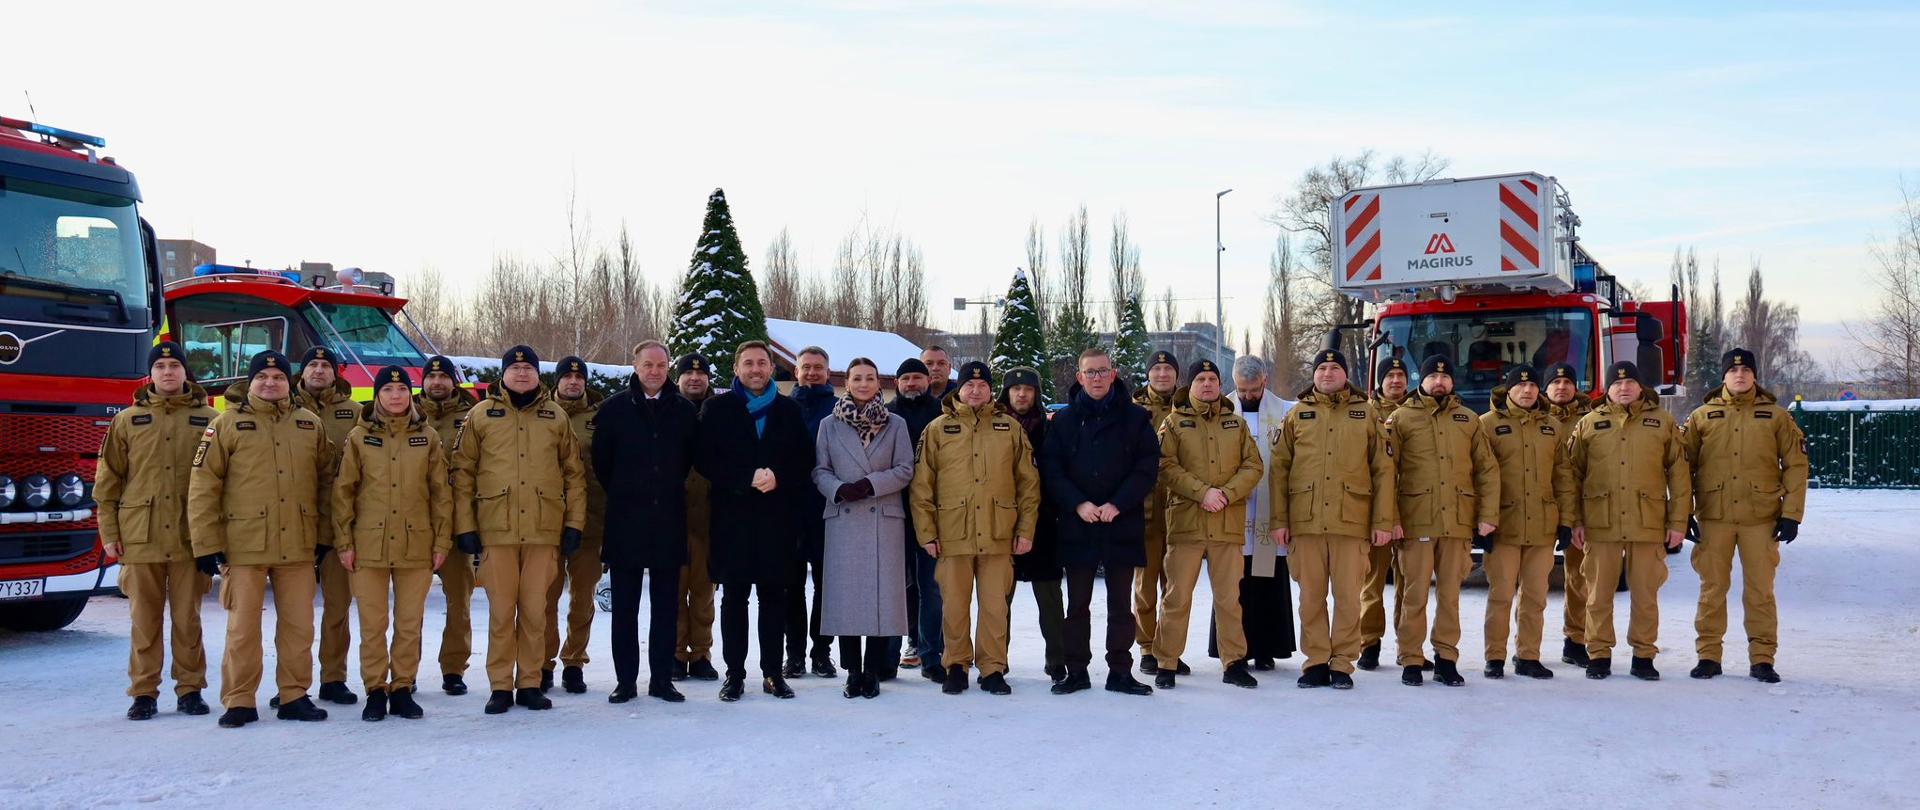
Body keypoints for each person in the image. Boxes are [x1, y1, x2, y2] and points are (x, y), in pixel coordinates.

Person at [188, 350, 336, 727]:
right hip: (244, 544)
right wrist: (206, 543)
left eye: (278, 377)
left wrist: (322, 534)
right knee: (242, 629)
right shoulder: (226, 424)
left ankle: (294, 695)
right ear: (249, 382)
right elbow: (204, 485)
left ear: (290, 382)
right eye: (262, 377)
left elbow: (324, 484)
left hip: (299, 544)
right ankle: (240, 700)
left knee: (299, 626)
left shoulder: (308, 424)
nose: (270, 383)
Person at [450, 345, 588, 714]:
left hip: (544, 530)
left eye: (529, 367)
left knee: (535, 611)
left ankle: (529, 682)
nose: (522, 373)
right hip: (497, 529)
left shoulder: (554, 416)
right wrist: (465, 526)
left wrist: (574, 523)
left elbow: (574, 475)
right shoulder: (482, 415)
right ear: (504, 373)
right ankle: (499, 685)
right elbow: (462, 473)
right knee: (500, 612)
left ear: (538, 374)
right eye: (516, 367)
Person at [96, 342, 218, 720]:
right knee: (144, 622)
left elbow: (223, 481)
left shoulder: (211, 419)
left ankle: (190, 690)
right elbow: (107, 482)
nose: (168, 372)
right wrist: (109, 533)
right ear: (150, 374)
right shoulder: (127, 420)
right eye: (161, 366)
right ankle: (144, 693)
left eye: (174, 365)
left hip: (189, 537)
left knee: (188, 620)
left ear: (186, 372)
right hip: (140, 536)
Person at [911, 361, 1041, 696]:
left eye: (982, 386)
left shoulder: (1009, 429)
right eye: (969, 385)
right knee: (953, 605)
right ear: (960, 388)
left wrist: (1025, 530)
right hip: (952, 533)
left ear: (990, 390)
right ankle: (955, 665)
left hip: (999, 532)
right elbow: (922, 486)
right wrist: (926, 533)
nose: (975, 391)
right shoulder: (938, 429)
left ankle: (992, 668)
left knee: (995, 605)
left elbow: (1028, 484)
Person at [1269, 350, 1396, 690]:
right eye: (1321, 368)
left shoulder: (1365, 414)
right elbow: (1279, 471)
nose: (1327, 373)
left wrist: (1383, 521)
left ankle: (1342, 663)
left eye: (1334, 368)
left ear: (1345, 374)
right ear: (1314, 374)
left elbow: (1383, 471)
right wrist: (1279, 520)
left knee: (1348, 597)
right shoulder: (1297, 415)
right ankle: (1315, 662)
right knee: (1310, 597)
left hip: (1351, 522)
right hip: (1305, 522)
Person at [1681, 348, 1809, 684]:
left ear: (1754, 375)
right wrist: (1682, 513)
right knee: (1712, 589)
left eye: (1746, 371)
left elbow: (1796, 465)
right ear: (1723, 376)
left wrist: (1791, 513)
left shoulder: (1777, 417)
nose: (1740, 376)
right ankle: (1708, 656)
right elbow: (1682, 468)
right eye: (1733, 371)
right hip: (1714, 516)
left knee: (1760, 592)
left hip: (1761, 518)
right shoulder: (1701, 417)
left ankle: (1762, 658)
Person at [332, 366, 452, 721]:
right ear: (378, 395)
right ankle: (375, 689)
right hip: (368, 544)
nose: (396, 396)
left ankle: (402, 687)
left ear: (410, 395)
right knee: (372, 624)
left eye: (402, 390)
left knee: (409, 622)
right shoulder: (358, 436)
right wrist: (344, 541)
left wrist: (442, 540)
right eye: (388, 390)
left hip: (417, 543)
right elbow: (343, 493)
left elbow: (441, 494)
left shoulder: (427, 436)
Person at [695, 341, 814, 702]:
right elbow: (704, 459)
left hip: (776, 521)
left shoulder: (789, 410)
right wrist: (744, 477)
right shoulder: (717, 408)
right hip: (732, 520)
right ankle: (734, 674)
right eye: (748, 363)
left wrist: (778, 477)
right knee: (734, 599)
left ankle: (773, 673)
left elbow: (804, 459)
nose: (756, 369)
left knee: (773, 598)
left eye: (762, 363)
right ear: (736, 368)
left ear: (771, 368)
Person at [1038, 349, 1160, 696]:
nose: (1096, 378)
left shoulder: (1136, 419)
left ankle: (1120, 670)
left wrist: (1117, 504)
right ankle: (1076, 670)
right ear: (1079, 377)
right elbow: (1052, 470)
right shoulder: (1062, 422)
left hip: (1121, 522)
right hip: (1079, 524)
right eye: (1089, 372)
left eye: (1102, 371)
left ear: (1113, 374)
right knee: (1077, 605)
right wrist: (1078, 504)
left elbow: (1146, 467)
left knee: (1121, 605)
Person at [1568, 361, 1691, 681]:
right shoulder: (1589, 423)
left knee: (1646, 594)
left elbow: (1679, 475)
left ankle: (1644, 654)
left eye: (1630, 383)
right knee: (1597, 594)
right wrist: (1575, 520)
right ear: (1607, 388)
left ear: (1641, 386)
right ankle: (1598, 654)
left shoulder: (1662, 423)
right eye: (1617, 383)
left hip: (1647, 521)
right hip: (1599, 522)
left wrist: (1678, 521)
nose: (1624, 388)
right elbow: (1573, 476)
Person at [593, 341, 700, 703]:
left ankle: (661, 679)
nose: (655, 371)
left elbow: (687, 461)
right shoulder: (613, 410)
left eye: (661, 365)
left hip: (668, 520)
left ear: (668, 367)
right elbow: (602, 465)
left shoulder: (684, 411)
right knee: (624, 608)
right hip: (626, 521)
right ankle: (626, 680)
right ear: (635, 367)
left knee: (666, 607)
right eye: (648, 365)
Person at [1385, 355, 1500, 687]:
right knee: (1414, 593)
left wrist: (1487, 516)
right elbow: (1386, 473)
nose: (1439, 382)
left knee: (1450, 595)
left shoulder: (1469, 420)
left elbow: (1487, 471)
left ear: (1452, 382)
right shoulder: (1401, 419)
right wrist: (1390, 518)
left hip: (1457, 522)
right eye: (1433, 377)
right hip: (1416, 521)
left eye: (1445, 377)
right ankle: (1410, 657)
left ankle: (1446, 658)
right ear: (1421, 381)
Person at [1152, 359, 1266, 690]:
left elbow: (1253, 466)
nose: (1207, 384)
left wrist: (1226, 495)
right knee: (1177, 595)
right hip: (1187, 522)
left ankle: (1234, 662)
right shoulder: (1174, 423)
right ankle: (1166, 661)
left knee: (1229, 597)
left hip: (1226, 521)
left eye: (1212, 378)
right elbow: (1165, 466)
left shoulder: (1236, 423)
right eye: (1200, 379)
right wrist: (1202, 493)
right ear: (1190, 386)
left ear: (1220, 384)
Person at [812, 357, 916, 699]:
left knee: (880, 598)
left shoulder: (896, 423)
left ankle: (872, 671)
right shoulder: (829, 424)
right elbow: (820, 470)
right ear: (847, 382)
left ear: (879, 383)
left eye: (870, 378)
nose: (863, 383)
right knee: (847, 599)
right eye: (857, 378)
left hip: (882, 516)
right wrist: (839, 489)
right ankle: (852, 671)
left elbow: (905, 469)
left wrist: (871, 484)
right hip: (843, 516)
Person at [1479, 365, 1576, 680]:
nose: (1528, 391)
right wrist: (1482, 522)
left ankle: (1528, 656)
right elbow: (1479, 476)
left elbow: (1563, 476)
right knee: (1501, 594)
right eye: (1521, 386)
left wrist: (1566, 520)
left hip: (1542, 526)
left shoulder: (1552, 427)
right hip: (1503, 525)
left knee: (1535, 596)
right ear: (1508, 390)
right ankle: (1495, 656)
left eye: (1533, 386)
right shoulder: (1487, 425)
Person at [1207, 356, 1296, 670]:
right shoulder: (1220, 411)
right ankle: (1233, 649)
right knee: (1232, 580)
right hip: (1232, 506)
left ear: (1265, 382)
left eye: (1254, 390)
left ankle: (1267, 647)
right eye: (1242, 390)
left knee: (1265, 578)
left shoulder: (1287, 412)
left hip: (1269, 507)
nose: (1247, 396)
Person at [292, 345, 361, 708]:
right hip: (295, 524)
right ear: (302, 372)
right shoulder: (285, 410)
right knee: (295, 613)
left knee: (337, 608)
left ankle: (333, 678)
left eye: (325, 365)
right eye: (312, 365)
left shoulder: (355, 413)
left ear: (336, 373)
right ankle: (291, 684)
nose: (319, 370)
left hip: (338, 526)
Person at [415, 356, 481, 695]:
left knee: (460, 601)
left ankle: (453, 668)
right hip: (416, 524)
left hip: (457, 524)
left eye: (443, 376)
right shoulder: (407, 413)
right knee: (411, 605)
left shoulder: (472, 416)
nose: (437, 382)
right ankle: (405, 669)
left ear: (454, 382)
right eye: (431, 376)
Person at [998, 367, 1066, 683]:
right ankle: (996, 658)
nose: (1022, 394)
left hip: (1045, 524)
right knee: (999, 597)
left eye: (1028, 389)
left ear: (1037, 394)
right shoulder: (995, 427)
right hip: (1002, 522)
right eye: (1015, 389)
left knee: (1050, 598)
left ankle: (1057, 659)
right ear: (1006, 393)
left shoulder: (1052, 429)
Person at [545, 356, 607, 695]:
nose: (573, 382)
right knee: (544, 599)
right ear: (556, 382)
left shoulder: (600, 418)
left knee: (582, 599)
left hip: (591, 522)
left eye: (578, 377)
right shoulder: (541, 414)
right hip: (547, 524)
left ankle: (573, 661)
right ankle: (542, 663)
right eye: (566, 377)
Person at [888, 357, 945, 680]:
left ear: (928, 381)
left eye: (917, 378)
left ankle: (930, 652)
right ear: (897, 383)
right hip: (892, 511)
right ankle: (888, 653)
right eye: (906, 378)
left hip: (933, 513)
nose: (912, 383)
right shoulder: (886, 415)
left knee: (931, 587)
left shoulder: (942, 415)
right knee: (894, 586)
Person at [786, 346, 839, 679]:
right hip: (789, 511)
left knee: (826, 586)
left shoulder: (839, 409)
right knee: (791, 587)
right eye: (806, 367)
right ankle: (794, 656)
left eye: (818, 367)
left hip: (827, 509)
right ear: (796, 371)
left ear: (828, 371)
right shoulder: (784, 408)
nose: (812, 373)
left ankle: (821, 652)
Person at [671, 353, 721, 682]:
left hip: (710, 518)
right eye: (687, 373)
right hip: (672, 518)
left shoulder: (720, 413)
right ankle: (675, 654)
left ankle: (701, 653)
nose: (694, 378)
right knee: (672, 593)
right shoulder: (665, 411)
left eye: (700, 373)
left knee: (703, 595)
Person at [1131, 350, 1182, 675]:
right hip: (1144, 511)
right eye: (1157, 368)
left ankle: (1169, 649)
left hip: (1180, 510)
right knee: (1145, 585)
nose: (1163, 374)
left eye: (1168, 369)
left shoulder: (1188, 408)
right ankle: (1148, 646)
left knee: (1176, 586)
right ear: (1148, 374)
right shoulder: (1134, 412)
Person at [1359, 354, 1411, 671]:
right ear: (1380, 381)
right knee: (1372, 581)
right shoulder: (1366, 414)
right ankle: (1369, 644)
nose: (1395, 381)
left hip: (1411, 509)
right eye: (1389, 376)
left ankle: (1409, 646)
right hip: (1375, 509)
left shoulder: (1419, 412)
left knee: (1410, 583)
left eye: (1400, 376)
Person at [1542, 362, 1594, 668]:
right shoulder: (1534, 416)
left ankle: (1575, 640)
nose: (1561, 387)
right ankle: (1523, 646)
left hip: (1578, 509)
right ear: (1545, 387)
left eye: (1567, 382)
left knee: (1579, 577)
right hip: (1538, 507)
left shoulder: (1591, 418)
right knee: (1531, 580)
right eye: (1555, 381)